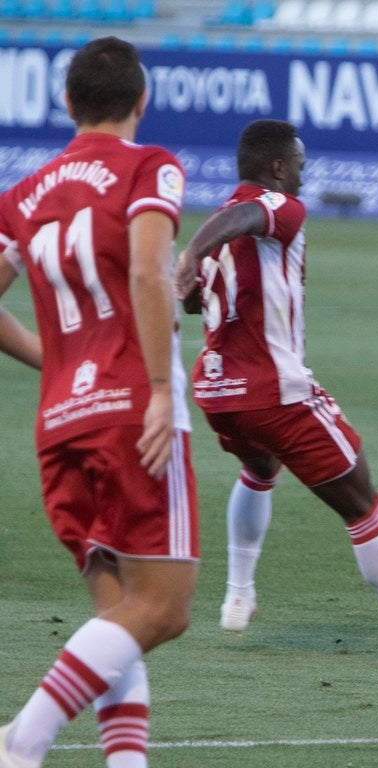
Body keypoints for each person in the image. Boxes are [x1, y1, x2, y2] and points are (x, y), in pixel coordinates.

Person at [174, 119, 378, 668]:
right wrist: (189, 253)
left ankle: (239, 593)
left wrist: (197, 258)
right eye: (301, 169)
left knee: (259, 470)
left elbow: (194, 304)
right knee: (364, 504)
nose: (305, 180)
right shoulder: (275, 210)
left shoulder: (219, 222)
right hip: (275, 390)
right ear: (279, 168)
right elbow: (247, 220)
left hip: (218, 391)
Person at [0, 37, 199, 768]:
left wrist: (55, 360)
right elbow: (149, 270)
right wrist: (153, 387)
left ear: (66, 104)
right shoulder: (150, 166)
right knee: (163, 608)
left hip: (60, 420)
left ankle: (126, 762)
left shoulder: (24, 193)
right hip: (131, 412)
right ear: (142, 102)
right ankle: (23, 739)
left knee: (116, 615)